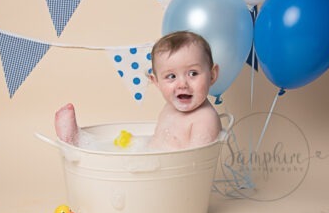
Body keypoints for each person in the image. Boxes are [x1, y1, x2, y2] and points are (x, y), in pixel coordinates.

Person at [55, 30, 221, 151]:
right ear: (155, 82)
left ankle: (78, 143)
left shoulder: (205, 119)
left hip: (175, 178)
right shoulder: (170, 108)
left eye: (193, 73)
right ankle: (79, 142)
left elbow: (197, 163)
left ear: (212, 75)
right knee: (113, 150)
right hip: (153, 164)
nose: (182, 84)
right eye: (171, 76)